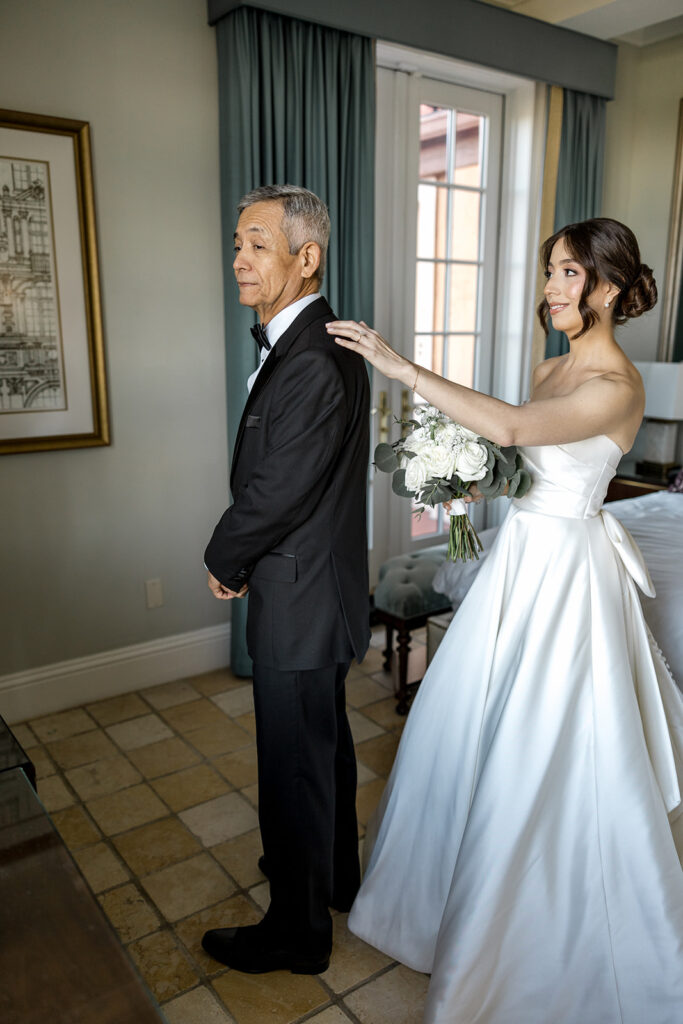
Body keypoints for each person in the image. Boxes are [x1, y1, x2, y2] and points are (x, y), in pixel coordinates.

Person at [327, 218, 683, 1023]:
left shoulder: (618, 388)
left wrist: (399, 367)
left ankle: (530, 937)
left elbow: (517, 430)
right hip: (516, 563)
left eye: (568, 275)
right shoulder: (547, 367)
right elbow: (523, 465)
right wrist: (467, 482)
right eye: (550, 272)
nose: (551, 289)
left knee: (542, 742)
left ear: (613, 289)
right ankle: (432, 904)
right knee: (468, 727)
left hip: (565, 577)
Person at [202, 185, 370, 975]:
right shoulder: (314, 342)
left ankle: (297, 934)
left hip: (299, 599)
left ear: (306, 258)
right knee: (321, 751)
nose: (239, 257)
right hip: (317, 590)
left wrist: (221, 557)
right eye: (237, 241)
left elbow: (276, 490)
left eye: (258, 243)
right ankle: (329, 876)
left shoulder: (314, 357)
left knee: (293, 766)